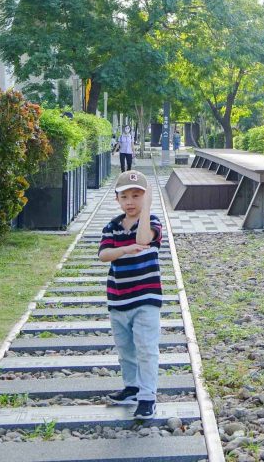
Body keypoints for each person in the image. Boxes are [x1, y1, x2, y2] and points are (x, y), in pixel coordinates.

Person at [98, 169, 164, 419]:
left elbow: (144, 238)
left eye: (137, 196)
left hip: (146, 298)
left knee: (146, 348)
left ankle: (148, 397)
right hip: (118, 298)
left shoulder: (153, 223)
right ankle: (132, 387)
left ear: (145, 199)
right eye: (125, 196)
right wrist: (124, 249)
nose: (130, 201)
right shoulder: (112, 226)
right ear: (117, 199)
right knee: (125, 348)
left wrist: (146, 210)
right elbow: (103, 255)